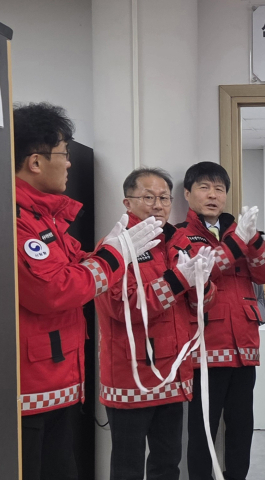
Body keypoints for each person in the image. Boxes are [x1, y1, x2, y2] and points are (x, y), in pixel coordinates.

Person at [14, 103, 162, 480]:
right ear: (35, 162)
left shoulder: (44, 218)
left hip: (57, 381)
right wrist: (115, 254)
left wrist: (110, 250)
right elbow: (55, 290)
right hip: (29, 392)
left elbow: (77, 264)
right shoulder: (16, 220)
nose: (69, 164)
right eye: (63, 154)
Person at [95, 167, 216, 480]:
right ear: (127, 202)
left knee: (168, 463)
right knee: (128, 466)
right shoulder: (115, 247)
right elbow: (123, 307)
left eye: (164, 198)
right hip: (131, 375)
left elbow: (198, 306)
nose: (158, 205)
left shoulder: (178, 242)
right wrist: (178, 280)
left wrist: (202, 285)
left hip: (173, 373)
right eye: (148, 197)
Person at [177, 161, 265, 480]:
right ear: (187, 194)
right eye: (204, 188)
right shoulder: (180, 236)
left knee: (241, 428)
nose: (213, 195)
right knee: (202, 431)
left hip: (244, 347)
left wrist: (254, 240)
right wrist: (236, 245)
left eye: (219, 189)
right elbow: (199, 276)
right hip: (205, 349)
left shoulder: (241, 232)